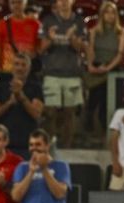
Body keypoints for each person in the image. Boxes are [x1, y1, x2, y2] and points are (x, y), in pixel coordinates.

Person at [38, 0, 86, 147]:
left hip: (72, 73)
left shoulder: (79, 21)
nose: (64, 2)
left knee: (69, 113)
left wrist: (71, 38)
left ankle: (67, 147)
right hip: (52, 73)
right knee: (50, 113)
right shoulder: (48, 21)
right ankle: (50, 146)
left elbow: (82, 49)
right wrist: (51, 39)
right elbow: (40, 49)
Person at [84, 1, 124, 139]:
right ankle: (90, 133)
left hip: (113, 68)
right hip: (97, 67)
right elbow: (90, 49)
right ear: (101, 15)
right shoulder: (94, 31)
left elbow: (120, 53)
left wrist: (108, 68)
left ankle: (107, 135)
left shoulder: (121, 32)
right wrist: (91, 65)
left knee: (108, 104)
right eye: (107, 12)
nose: (110, 16)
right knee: (93, 101)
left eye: (112, 13)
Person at [0, 57, 46, 151]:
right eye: (17, 64)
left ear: (29, 68)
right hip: (4, 143)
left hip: (28, 143)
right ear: (12, 67)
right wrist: (9, 103)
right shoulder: (0, 87)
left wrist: (21, 96)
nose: (20, 68)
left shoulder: (36, 88)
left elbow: (37, 114)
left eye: (23, 65)